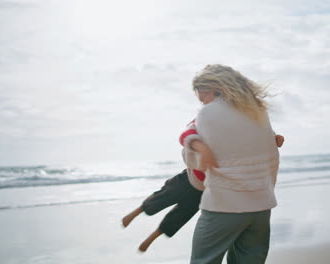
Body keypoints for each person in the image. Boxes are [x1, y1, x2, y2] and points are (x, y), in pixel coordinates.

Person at [121, 113, 284, 252]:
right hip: (191, 176)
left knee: (180, 216)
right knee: (164, 196)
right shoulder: (207, 119)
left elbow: (258, 139)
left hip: (207, 188)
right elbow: (189, 132)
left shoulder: (241, 126)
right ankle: (135, 213)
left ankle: (150, 239)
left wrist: (275, 139)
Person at [188, 64, 280, 264]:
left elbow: (193, 160)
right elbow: (272, 157)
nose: (200, 100)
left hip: (225, 205)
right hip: (261, 206)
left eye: (200, 94)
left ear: (211, 88)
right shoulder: (258, 111)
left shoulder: (207, 114)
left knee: (204, 260)